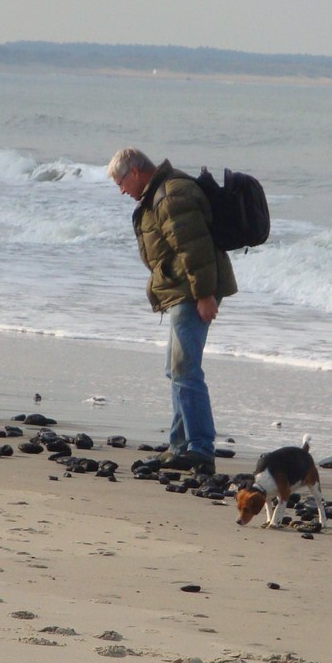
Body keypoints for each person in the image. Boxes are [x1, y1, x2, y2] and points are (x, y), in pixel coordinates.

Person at [108, 148, 237, 475]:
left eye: (121, 182)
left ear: (135, 172)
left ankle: (200, 449)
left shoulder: (170, 195)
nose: (121, 190)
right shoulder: (160, 194)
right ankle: (180, 446)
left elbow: (194, 248)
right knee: (176, 369)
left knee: (185, 371)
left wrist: (204, 295)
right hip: (182, 291)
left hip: (192, 293)